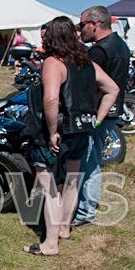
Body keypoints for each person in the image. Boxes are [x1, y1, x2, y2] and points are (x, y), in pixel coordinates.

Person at [21, 16, 119, 257]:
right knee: (73, 181)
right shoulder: (86, 62)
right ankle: (64, 228)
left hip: (59, 131)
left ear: (53, 37)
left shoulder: (54, 62)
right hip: (83, 130)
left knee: (49, 186)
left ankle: (50, 244)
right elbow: (113, 89)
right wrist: (96, 119)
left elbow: (51, 99)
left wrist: (53, 132)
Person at [74, 6, 131, 227]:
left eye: (82, 26)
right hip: (109, 112)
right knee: (92, 159)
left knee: (88, 163)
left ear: (95, 24)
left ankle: (85, 212)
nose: (80, 31)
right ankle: (86, 208)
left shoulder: (100, 51)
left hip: (97, 113)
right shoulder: (120, 44)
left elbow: (90, 84)